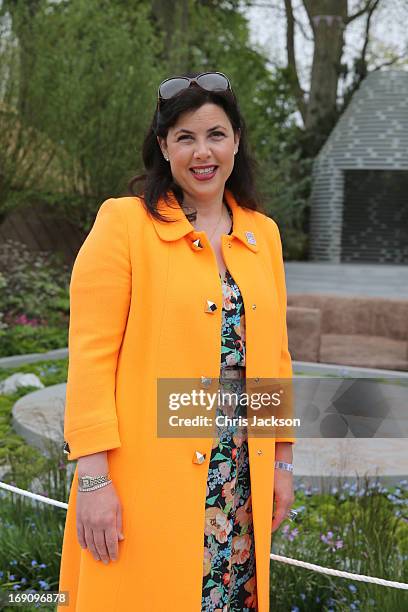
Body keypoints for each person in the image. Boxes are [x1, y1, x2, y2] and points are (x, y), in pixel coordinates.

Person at [58, 71, 296, 612]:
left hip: (240, 482)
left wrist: (281, 462)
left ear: (236, 139)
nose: (202, 152)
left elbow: (276, 359)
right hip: (143, 484)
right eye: (185, 138)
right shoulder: (123, 224)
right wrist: (93, 479)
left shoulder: (265, 234)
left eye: (215, 134)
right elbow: (91, 357)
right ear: (163, 147)